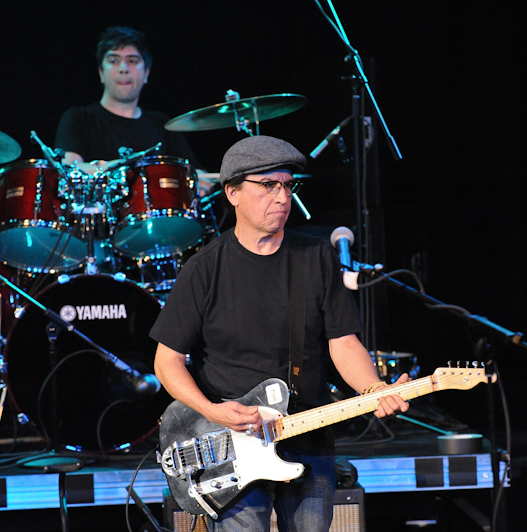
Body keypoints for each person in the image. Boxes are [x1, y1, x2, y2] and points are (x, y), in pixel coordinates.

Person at [150, 135, 410, 532]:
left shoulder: (316, 257)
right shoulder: (204, 269)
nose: (282, 197)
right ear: (232, 193)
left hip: (308, 437)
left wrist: (373, 389)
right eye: (268, 185)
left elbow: (343, 342)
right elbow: (167, 362)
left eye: (287, 185)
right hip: (229, 444)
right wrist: (213, 411)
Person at [55, 26, 199, 166]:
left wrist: (203, 180)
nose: (124, 69)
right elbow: (70, 169)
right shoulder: (78, 119)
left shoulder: (162, 125)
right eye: (114, 61)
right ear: (101, 73)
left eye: (132, 61)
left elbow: (196, 175)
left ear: (146, 73)